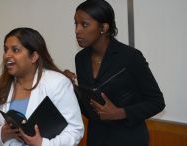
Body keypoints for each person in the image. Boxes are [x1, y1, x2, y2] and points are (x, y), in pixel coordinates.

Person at [64, 0, 165, 146]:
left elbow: (157, 102)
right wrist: (71, 88)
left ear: (104, 27)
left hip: (129, 140)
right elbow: (89, 110)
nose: (77, 30)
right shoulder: (80, 58)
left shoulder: (130, 57)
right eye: (76, 24)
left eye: (84, 24)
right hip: (96, 139)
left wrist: (121, 113)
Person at [0, 27, 84, 146]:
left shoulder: (57, 83)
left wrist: (43, 144)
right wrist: (2, 134)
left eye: (15, 50)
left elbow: (75, 131)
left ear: (34, 56)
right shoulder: (1, 88)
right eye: (5, 49)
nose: (7, 55)